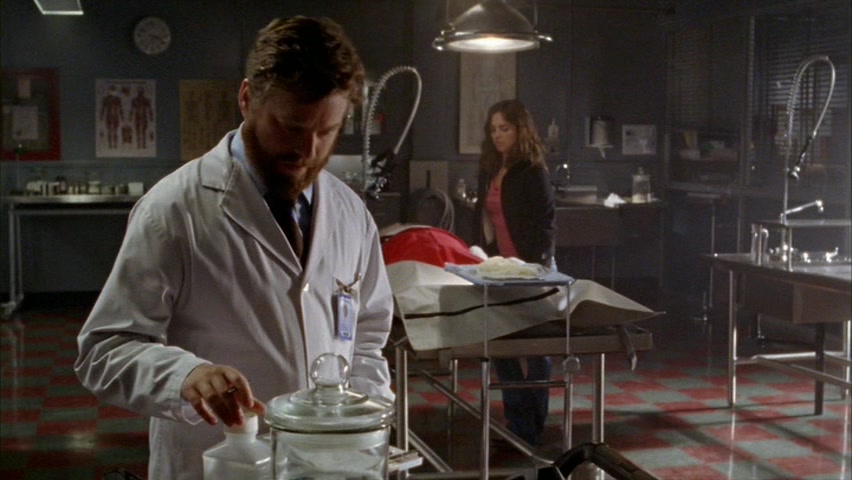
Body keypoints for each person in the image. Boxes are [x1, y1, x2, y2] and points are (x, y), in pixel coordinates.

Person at [75, 16, 394, 480]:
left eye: (326, 131)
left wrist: (364, 437)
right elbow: (104, 350)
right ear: (247, 99)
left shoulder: (350, 214)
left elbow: (366, 337)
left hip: (326, 467)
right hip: (212, 461)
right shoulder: (173, 210)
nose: (307, 150)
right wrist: (184, 377)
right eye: (290, 127)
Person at [473, 99, 556, 446]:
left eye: (504, 128)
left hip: (531, 269)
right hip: (499, 269)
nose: (497, 135)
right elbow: (482, 217)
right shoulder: (490, 169)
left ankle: (533, 425)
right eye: (493, 129)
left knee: (536, 349)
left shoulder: (532, 171)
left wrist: (534, 266)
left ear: (520, 130)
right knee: (502, 346)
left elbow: (546, 223)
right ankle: (517, 421)